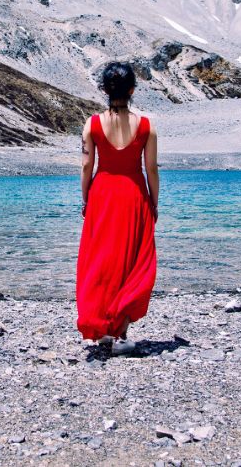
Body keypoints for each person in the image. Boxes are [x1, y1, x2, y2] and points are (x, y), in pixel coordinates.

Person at [75, 61, 159, 355]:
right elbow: (151, 170)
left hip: (103, 195)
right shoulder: (146, 126)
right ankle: (120, 332)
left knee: (102, 260)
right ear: (133, 90)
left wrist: (86, 199)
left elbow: (87, 165)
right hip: (134, 194)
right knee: (133, 262)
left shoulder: (93, 124)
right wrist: (154, 203)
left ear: (104, 90)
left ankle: (103, 330)